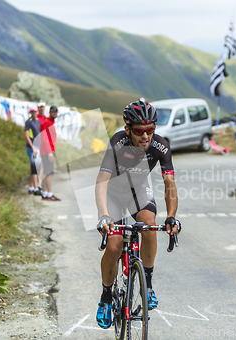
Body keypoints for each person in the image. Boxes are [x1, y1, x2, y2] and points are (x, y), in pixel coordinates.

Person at [95, 100, 180, 329]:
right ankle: (105, 297)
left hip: (138, 192)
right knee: (113, 245)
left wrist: (171, 216)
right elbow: (101, 182)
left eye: (150, 130)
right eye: (139, 131)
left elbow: (169, 183)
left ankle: (148, 285)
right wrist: (104, 216)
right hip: (113, 193)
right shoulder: (117, 142)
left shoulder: (161, 146)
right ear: (128, 129)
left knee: (149, 225)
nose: (145, 136)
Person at [40, 106, 61, 201]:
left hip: (50, 151)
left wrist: (53, 152)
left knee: (47, 172)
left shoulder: (51, 122)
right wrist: (49, 153)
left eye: (56, 112)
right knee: (49, 172)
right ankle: (48, 193)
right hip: (46, 151)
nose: (55, 113)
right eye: (53, 112)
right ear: (49, 112)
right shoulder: (46, 122)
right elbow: (44, 139)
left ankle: (45, 193)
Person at [24, 106, 41, 196]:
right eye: (32, 112)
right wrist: (33, 147)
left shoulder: (38, 121)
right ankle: (35, 188)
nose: (34, 113)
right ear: (30, 113)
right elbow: (26, 135)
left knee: (35, 166)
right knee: (34, 166)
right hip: (32, 148)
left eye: (35, 111)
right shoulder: (28, 122)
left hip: (37, 147)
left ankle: (32, 187)